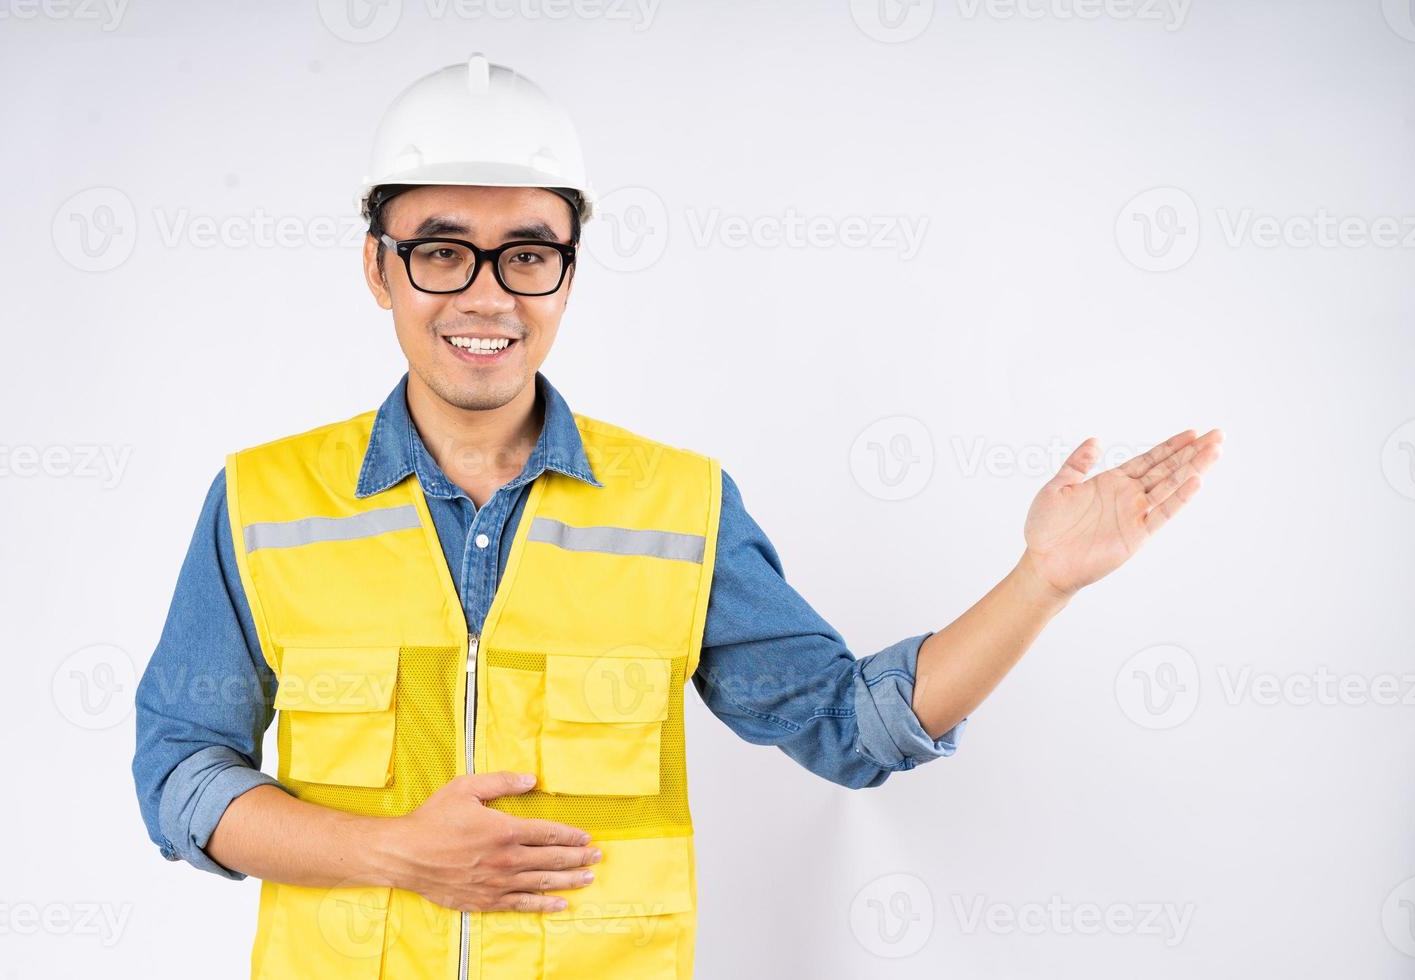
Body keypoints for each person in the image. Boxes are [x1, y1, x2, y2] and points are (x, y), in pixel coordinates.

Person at [131, 53, 1223, 980]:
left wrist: (1043, 578)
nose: (485, 295)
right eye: (439, 249)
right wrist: (399, 855)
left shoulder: (678, 507)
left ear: (567, 273)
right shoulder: (265, 499)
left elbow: (854, 728)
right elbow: (181, 772)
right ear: (379, 268)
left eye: (528, 254)